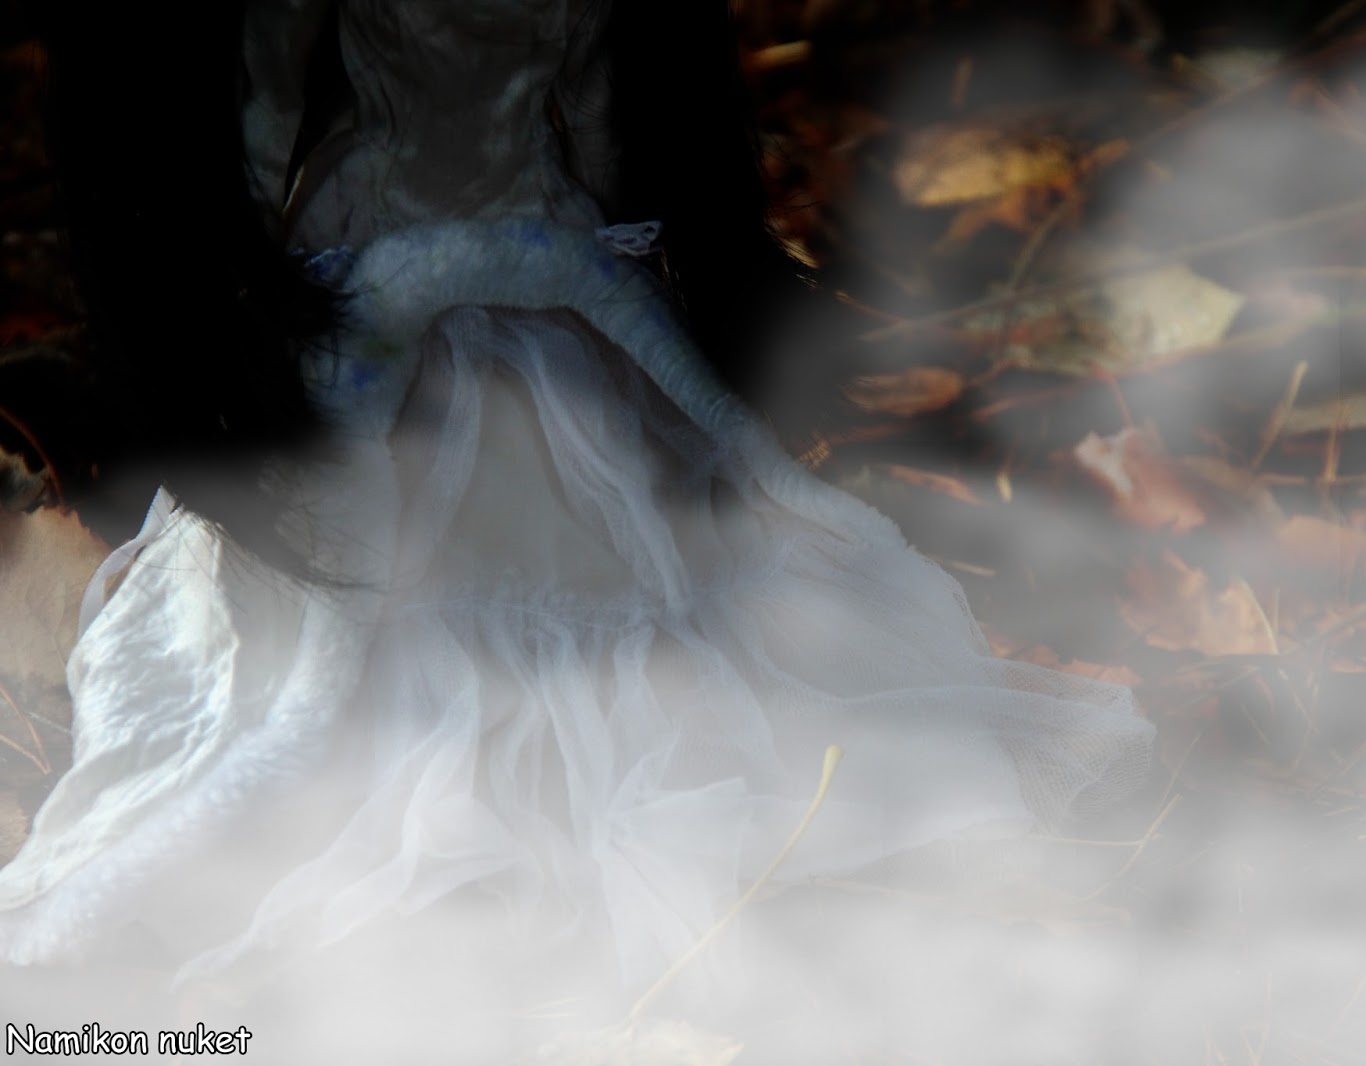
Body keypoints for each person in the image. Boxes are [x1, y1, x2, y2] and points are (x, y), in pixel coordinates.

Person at [0, 1, 1153, 1059]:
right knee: (558, 541)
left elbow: (270, 110)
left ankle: (475, 787)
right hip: (543, 251)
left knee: (457, 565)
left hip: (379, 254)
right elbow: (604, 127)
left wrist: (267, 280)